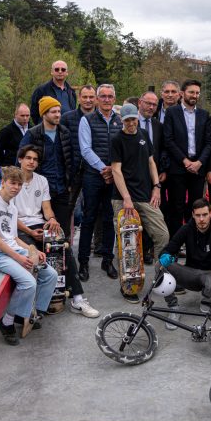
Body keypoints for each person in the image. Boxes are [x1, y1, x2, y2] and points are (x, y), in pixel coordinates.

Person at [19, 97, 95, 317]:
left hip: (60, 191)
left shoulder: (64, 132)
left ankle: (74, 295)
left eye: (59, 111)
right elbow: (23, 159)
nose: (57, 114)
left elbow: (72, 158)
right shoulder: (33, 134)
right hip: (39, 190)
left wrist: (72, 183)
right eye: (53, 111)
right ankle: (47, 293)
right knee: (41, 247)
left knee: (61, 243)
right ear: (43, 113)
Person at [0, 167, 58, 345]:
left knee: (50, 275)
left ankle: (27, 314)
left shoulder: (11, 207)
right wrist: (18, 257)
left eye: (19, 184)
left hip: (10, 249)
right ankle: (6, 321)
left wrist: (34, 251)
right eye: (12, 183)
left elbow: (13, 237)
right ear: (3, 183)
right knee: (28, 282)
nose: (16, 187)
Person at [110, 103, 170, 281]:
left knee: (162, 235)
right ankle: (129, 282)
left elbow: (151, 162)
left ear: (137, 118)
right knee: (128, 242)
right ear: (122, 120)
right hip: (123, 199)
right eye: (127, 120)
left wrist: (157, 187)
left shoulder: (144, 135)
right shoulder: (117, 140)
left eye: (133, 119)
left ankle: (161, 275)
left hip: (145, 196)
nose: (131, 123)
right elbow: (116, 170)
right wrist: (126, 198)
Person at [157, 199, 211, 318]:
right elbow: (169, 248)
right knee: (159, 265)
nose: (201, 219)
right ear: (193, 215)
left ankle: (207, 300)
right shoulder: (186, 229)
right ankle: (173, 307)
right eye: (198, 215)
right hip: (190, 273)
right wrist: (164, 255)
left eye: (205, 215)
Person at [77, 84, 121, 280]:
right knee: (88, 219)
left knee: (109, 219)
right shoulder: (86, 120)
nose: (106, 99)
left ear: (114, 98)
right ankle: (83, 262)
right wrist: (103, 168)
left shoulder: (120, 121)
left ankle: (107, 260)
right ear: (96, 99)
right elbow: (85, 149)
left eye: (109, 96)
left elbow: (123, 149)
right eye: (102, 96)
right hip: (93, 176)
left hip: (114, 176)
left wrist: (113, 170)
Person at [162, 79, 211, 233]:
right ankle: (175, 242)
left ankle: (194, 240)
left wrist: (199, 162)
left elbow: (209, 142)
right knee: (176, 205)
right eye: (191, 92)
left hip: (197, 168)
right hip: (178, 167)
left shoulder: (204, 114)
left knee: (196, 206)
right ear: (182, 93)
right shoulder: (171, 113)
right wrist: (185, 161)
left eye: (197, 93)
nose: (194, 95)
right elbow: (168, 140)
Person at [0, 103, 31, 168]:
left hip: (30, 168)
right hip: (12, 169)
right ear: (15, 115)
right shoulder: (6, 131)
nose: (25, 118)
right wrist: (5, 164)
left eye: (27, 115)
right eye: (22, 115)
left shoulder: (33, 130)